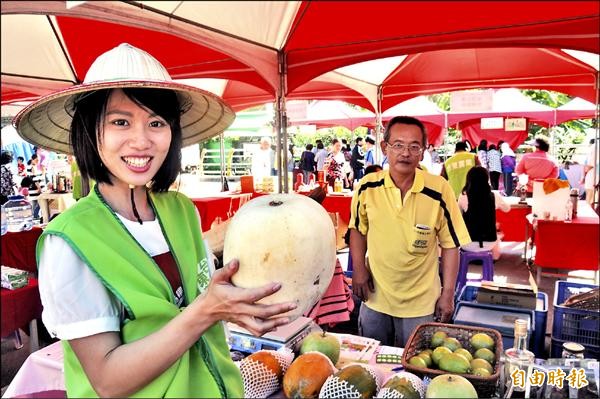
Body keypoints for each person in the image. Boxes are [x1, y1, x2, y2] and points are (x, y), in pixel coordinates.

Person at [15, 43, 294, 398]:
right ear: (90, 130)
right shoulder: (69, 240)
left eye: (156, 122)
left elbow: (202, 295)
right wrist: (206, 312)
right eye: (120, 121)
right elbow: (108, 380)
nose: (141, 140)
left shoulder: (181, 210)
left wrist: (238, 302)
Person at [349, 116, 470, 347]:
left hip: (422, 303)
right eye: (398, 145)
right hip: (375, 297)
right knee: (371, 366)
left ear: (423, 152)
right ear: (385, 148)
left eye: (414, 146)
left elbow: (451, 245)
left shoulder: (439, 190)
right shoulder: (367, 186)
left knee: (416, 369)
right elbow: (357, 229)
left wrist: (447, 294)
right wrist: (359, 270)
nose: (405, 153)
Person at [458, 166, 509, 260]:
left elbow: (458, 216)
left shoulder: (463, 195)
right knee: (497, 232)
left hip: (467, 243)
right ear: (487, 179)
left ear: (469, 179)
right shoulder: (494, 195)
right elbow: (507, 209)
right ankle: (491, 259)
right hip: (490, 242)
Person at [582, 138, 597, 205]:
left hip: (592, 174)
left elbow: (588, 166)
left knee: (589, 196)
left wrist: (583, 176)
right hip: (593, 173)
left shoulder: (593, 148)